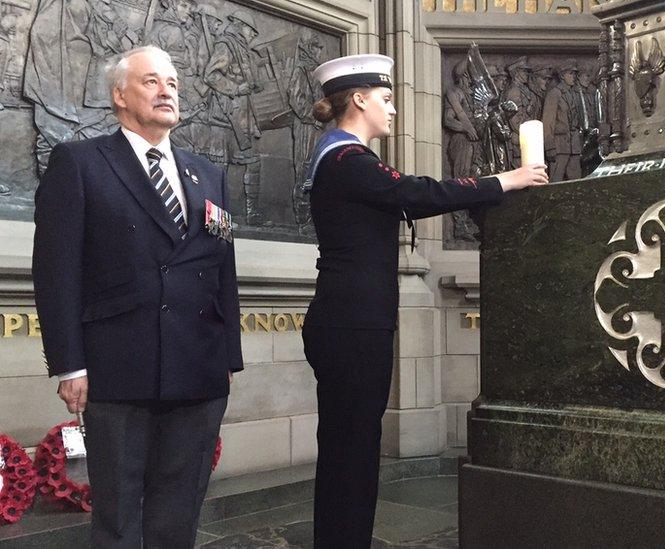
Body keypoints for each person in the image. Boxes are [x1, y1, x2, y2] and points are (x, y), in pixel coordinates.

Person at [302, 53, 548, 548]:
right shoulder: (348, 159)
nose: (393, 111)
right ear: (358, 99)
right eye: (386, 100)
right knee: (352, 453)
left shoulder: (342, 156)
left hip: (348, 320)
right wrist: (508, 180)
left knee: (349, 451)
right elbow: (420, 193)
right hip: (351, 324)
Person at [32, 45, 242, 548]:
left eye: (172, 82)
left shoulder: (206, 174)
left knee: (179, 508)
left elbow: (222, 269)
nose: (166, 90)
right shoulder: (80, 162)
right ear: (119, 95)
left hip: (197, 364)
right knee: (120, 514)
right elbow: (56, 270)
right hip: (117, 365)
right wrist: (69, 364)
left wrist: (227, 356)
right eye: (151, 81)